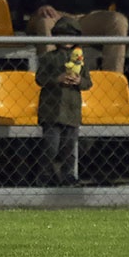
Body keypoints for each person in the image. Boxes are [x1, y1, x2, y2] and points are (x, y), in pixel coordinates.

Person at [35, 17, 92, 186]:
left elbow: (88, 82)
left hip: (72, 110)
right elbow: (40, 78)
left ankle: (67, 175)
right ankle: (44, 174)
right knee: (51, 145)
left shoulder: (80, 60)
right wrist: (56, 79)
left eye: (70, 35)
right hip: (51, 110)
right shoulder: (49, 57)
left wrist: (79, 81)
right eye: (62, 35)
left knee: (69, 147)